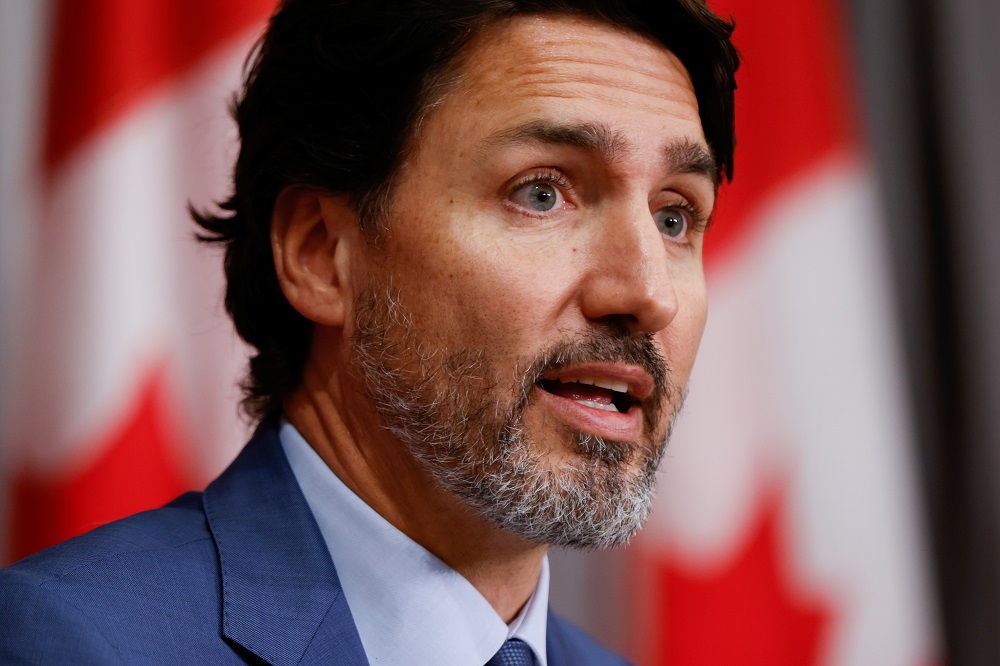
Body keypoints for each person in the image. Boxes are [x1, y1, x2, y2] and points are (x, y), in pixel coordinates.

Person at [0, 0, 738, 663]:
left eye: (675, 216)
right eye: (542, 192)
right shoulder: (74, 641)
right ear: (321, 253)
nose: (647, 293)